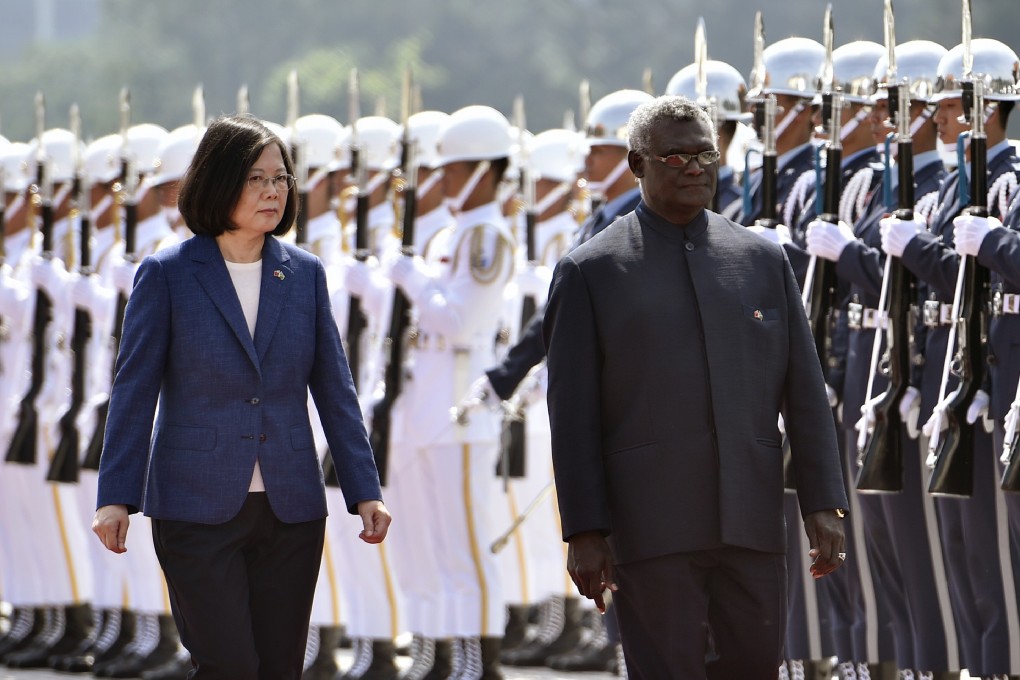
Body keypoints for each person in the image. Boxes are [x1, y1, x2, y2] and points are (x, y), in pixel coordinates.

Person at [542, 94, 848, 680]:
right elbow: (573, 416)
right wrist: (584, 530)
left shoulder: (760, 259)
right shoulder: (591, 270)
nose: (694, 168)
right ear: (637, 165)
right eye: (675, 156)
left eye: (705, 154)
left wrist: (824, 503)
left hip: (752, 522)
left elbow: (804, 392)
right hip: (651, 528)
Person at [91, 113, 390, 679]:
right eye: (256, 178)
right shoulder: (167, 274)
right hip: (196, 507)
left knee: (279, 669)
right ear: (218, 180)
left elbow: (335, 389)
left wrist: (363, 489)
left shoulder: (303, 274)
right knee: (229, 665)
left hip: (290, 508)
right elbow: (133, 391)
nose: (273, 191)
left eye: (280, 178)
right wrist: (116, 496)